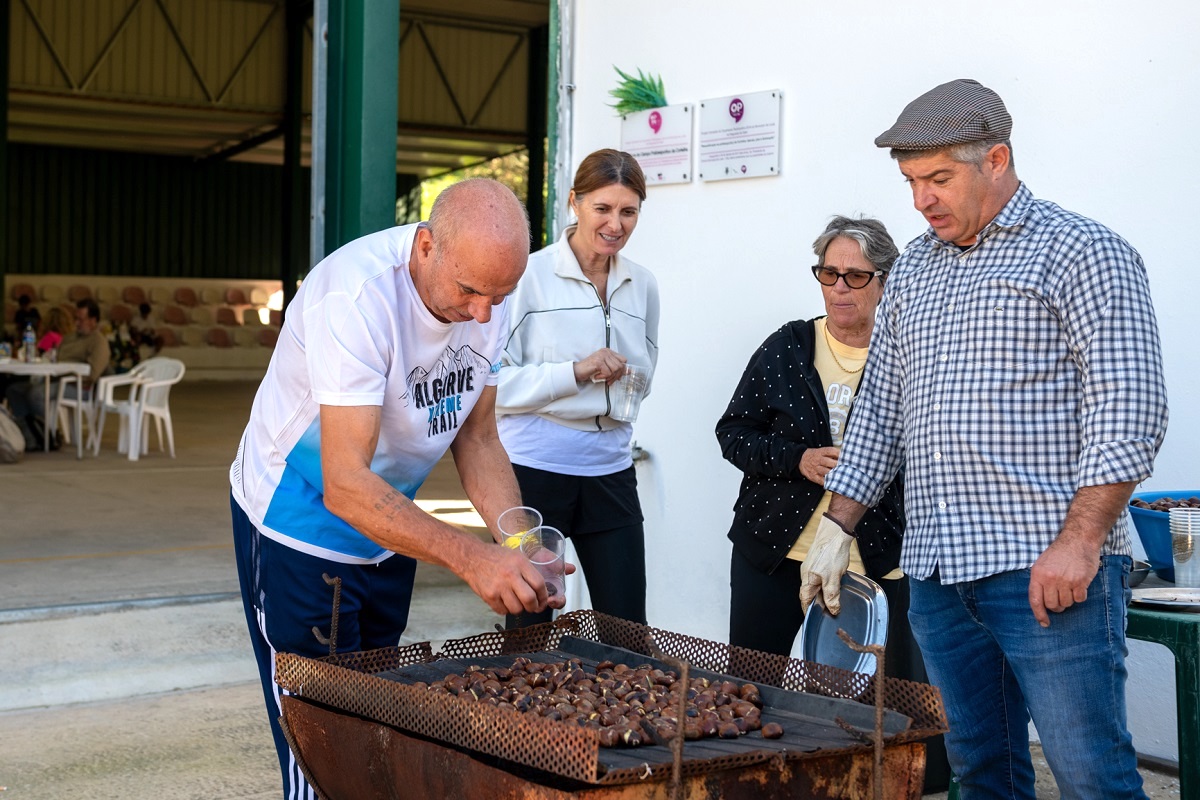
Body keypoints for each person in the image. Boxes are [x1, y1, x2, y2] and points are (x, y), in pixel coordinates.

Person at [803, 79, 1169, 799]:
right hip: (939, 573)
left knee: (1089, 774)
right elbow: (881, 410)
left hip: (1048, 572)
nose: (922, 199)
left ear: (996, 159)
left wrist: (1080, 543)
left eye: (939, 178)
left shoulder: (1084, 252)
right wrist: (835, 528)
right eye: (911, 182)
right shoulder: (914, 269)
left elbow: (1129, 408)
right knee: (979, 770)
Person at [229, 179, 570, 800]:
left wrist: (520, 543)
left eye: (500, 296)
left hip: (392, 524)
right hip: (299, 522)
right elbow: (344, 483)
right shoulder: (355, 297)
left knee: (373, 721)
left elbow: (479, 439)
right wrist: (473, 557)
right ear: (426, 246)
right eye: (469, 291)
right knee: (321, 740)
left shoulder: (487, 290)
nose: (483, 314)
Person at [715, 215, 950, 791]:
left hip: (876, 556)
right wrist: (797, 458)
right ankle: (750, 783)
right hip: (776, 551)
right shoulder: (788, 346)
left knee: (886, 700)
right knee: (753, 686)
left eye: (856, 276)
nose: (840, 288)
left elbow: (935, 448)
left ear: (886, 280)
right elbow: (734, 433)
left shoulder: (911, 352)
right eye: (829, 273)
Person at [495, 149, 659, 628]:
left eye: (628, 212)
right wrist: (575, 372)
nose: (615, 224)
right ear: (575, 202)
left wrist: (628, 384)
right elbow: (493, 386)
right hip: (533, 471)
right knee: (529, 622)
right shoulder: (527, 277)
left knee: (626, 626)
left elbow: (647, 371)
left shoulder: (643, 284)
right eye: (602, 208)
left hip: (611, 469)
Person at [5, 298, 109, 451]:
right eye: (76, 319)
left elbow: (92, 374)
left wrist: (65, 374)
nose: (77, 323)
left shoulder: (98, 342)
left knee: (36, 394)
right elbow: (55, 357)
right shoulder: (70, 337)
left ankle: (47, 436)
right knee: (14, 390)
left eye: (81, 320)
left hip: (79, 386)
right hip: (54, 378)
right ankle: (29, 434)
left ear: (93, 320)